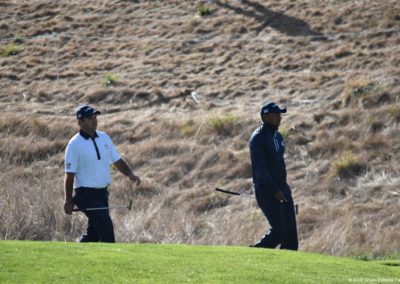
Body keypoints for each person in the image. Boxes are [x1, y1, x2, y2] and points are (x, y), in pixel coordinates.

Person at [63, 105, 141, 243]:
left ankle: (74, 256)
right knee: (106, 230)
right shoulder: (74, 144)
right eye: (90, 118)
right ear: (80, 122)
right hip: (85, 194)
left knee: (93, 234)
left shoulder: (104, 137)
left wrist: (130, 174)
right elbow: (69, 175)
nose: (94, 120)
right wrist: (68, 200)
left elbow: (117, 160)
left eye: (95, 117)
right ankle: (111, 263)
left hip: (102, 194)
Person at [249, 101, 298, 250]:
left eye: (279, 115)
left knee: (291, 237)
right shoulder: (258, 139)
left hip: (283, 188)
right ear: (265, 117)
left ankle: (288, 268)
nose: (279, 118)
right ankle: (254, 253)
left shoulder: (278, 137)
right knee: (279, 232)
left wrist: (283, 189)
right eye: (275, 115)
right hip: (267, 191)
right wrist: (275, 191)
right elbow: (261, 171)